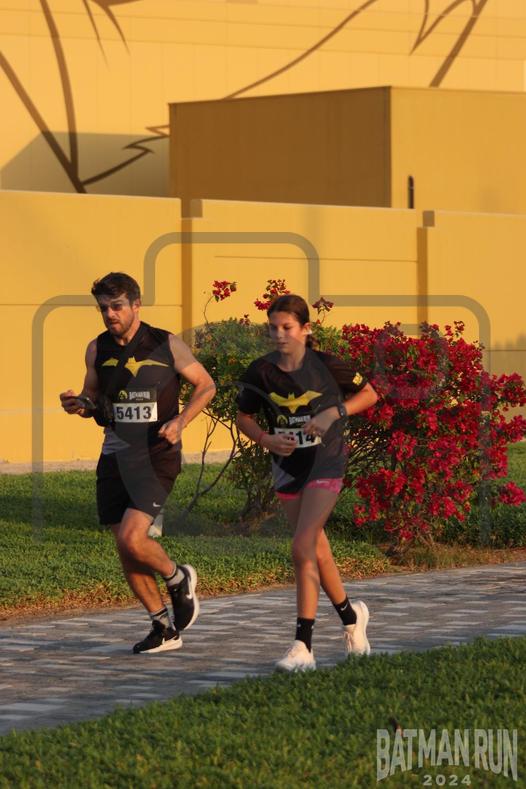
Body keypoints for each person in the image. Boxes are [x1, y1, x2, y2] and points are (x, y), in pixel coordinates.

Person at [60, 272, 216, 654]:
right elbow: (93, 400)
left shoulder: (165, 343)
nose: (110, 314)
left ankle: (177, 577)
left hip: (156, 455)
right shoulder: (97, 349)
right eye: (103, 308)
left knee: (133, 537)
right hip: (114, 455)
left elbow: (206, 385)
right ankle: (163, 628)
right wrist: (78, 405)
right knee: (125, 546)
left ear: (136, 305)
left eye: (116, 306)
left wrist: (181, 421)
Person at [236, 294, 378, 672]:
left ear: (306, 329)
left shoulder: (326, 366)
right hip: (287, 466)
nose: (279, 334)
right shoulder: (261, 371)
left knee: (302, 546)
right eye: (273, 328)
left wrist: (334, 412)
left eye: (287, 327)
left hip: (326, 463)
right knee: (316, 548)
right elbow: (244, 416)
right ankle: (351, 619)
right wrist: (266, 439)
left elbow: (370, 394)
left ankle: (303, 647)